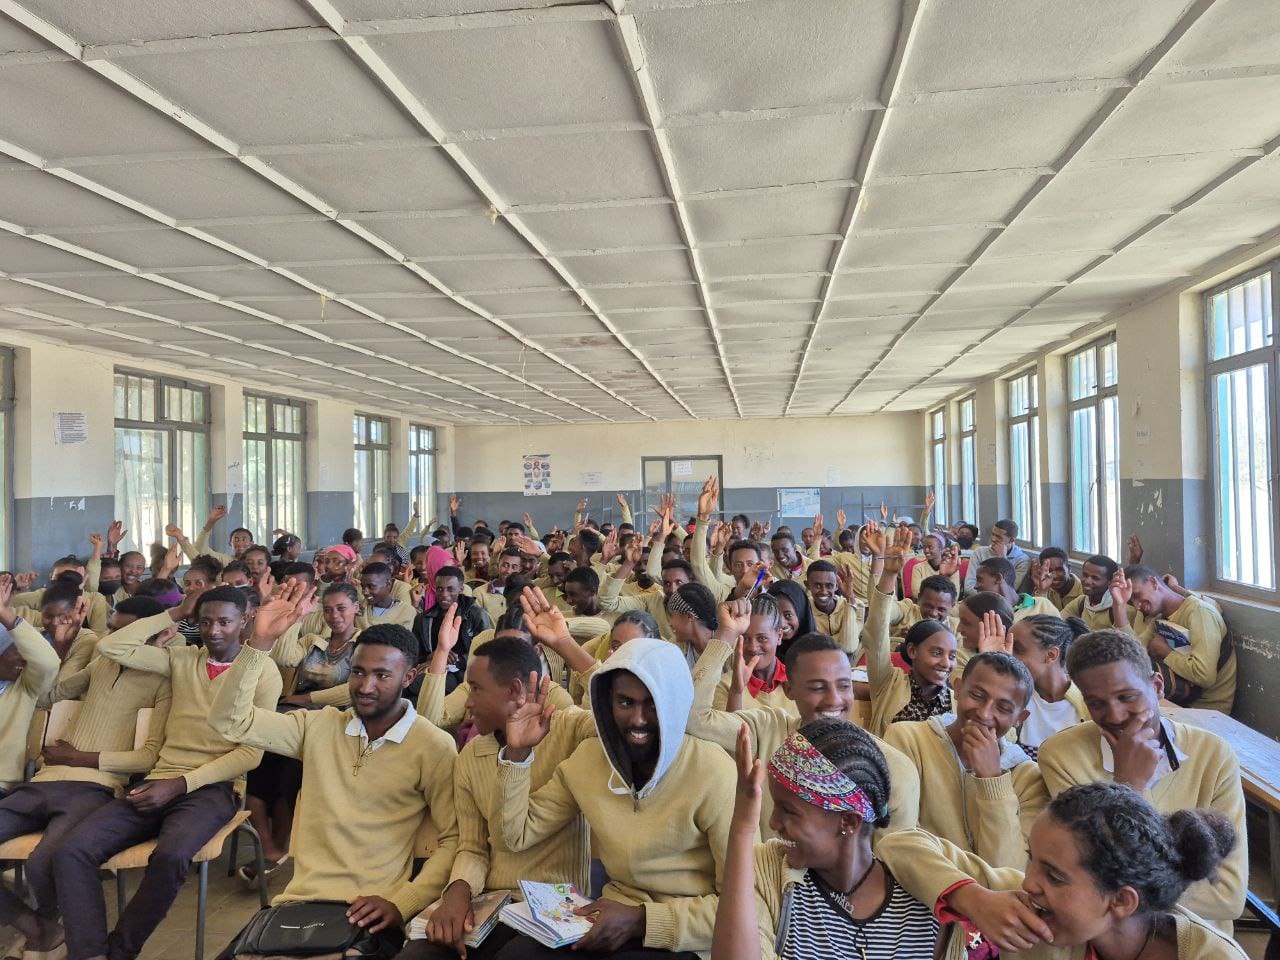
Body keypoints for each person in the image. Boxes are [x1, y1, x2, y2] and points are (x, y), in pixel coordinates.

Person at [210, 583, 461, 960]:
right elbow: (229, 722)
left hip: (371, 913)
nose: (365, 686)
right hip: (297, 905)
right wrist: (259, 644)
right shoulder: (317, 726)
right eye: (358, 672)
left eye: (382, 675)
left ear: (409, 678)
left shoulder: (432, 746)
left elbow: (453, 839)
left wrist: (403, 902)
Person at [493, 596, 738, 959]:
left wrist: (643, 921)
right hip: (611, 917)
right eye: (625, 703)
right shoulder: (589, 760)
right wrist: (517, 755)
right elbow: (514, 836)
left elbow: (743, 905)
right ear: (608, 704)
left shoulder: (713, 771)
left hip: (686, 934)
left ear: (675, 704)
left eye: (652, 704)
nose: (638, 720)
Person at [51, 584, 282, 960]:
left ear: (245, 621)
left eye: (224, 622)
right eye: (205, 622)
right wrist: (175, 612)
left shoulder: (264, 671)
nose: (214, 631)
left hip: (214, 787)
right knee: (72, 851)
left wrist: (181, 784)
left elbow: (250, 754)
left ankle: (120, 952)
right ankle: (90, 953)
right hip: (159, 780)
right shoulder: (182, 660)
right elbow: (112, 647)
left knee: (171, 856)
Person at [878, 782, 1247, 959]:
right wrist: (974, 898)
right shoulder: (1030, 909)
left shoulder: (1212, 956)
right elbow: (899, 844)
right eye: (1031, 858)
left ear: (1121, 901)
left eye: (1054, 876)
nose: (1028, 882)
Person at [398, 636, 598, 960]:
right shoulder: (471, 756)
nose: (468, 703)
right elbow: (473, 846)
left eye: (476, 689)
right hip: (493, 901)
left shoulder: (568, 728)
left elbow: (617, 724)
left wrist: (568, 646)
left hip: (556, 905)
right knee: (419, 954)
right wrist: (458, 891)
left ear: (515, 690)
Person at [1035, 629, 1246, 932]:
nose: (1115, 715)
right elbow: (1090, 881)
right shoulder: (1062, 756)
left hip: (1193, 938)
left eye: (1127, 697)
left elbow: (1226, 896)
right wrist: (1129, 786)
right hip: (1113, 937)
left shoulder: (1212, 754)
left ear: (1157, 687)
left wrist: (1121, 882)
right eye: (1097, 704)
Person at [0, 606, 170, 957]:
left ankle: (52, 929)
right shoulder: (102, 664)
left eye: (124, 633)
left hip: (95, 787)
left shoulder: (164, 680)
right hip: (43, 782)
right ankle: (39, 928)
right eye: (112, 630)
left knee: (43, 862)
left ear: (155, 635)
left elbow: (148, 757)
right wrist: (63, 647)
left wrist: (79, 758)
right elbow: (47, 696)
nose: (111, 640)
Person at [687, 600, 920, 841]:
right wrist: (725, 634)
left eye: (844, 686)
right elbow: (694, 718)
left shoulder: (893, 769)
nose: (834, 700)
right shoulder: (768, 730)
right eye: (818, 688)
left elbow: (891, 857)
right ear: (789, 690)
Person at [710, 720, 942, 960]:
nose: (773, 823)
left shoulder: (923, 899)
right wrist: (743, 829)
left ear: (848, 821)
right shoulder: (771, 872)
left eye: (788, 811)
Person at [243, 581, 364, 876]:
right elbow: (284, 656)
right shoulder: (313, 641)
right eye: (328, 610)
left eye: (341, 608)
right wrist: (295, 618)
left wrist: (305, 698)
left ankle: (279, 844)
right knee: (254, 759)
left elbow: (351, 690)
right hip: (291, 718)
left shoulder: (364, 645)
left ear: (356, 608)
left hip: (332, 722)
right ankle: (268, 847)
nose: (335, 616)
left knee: (289, 768)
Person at [883, 652, 1047, 869]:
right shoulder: (908, 740)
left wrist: (992, 780)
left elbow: (1010, 870)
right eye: (977, 695)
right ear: (958, 689)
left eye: (1003, 708)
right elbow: (900, 842)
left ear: (1019, 718)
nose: (984, 713)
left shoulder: (1029, 778)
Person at [1111, 565, 1236, 712]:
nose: (1137, 606)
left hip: (1206, 709)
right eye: (1131, 602)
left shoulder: (1200, 613)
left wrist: (1166, 652)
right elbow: (1133, 656)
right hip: (1177, 701)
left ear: (1153, 583)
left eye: (1137, 595)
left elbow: (1204, 676)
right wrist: (1119, 605)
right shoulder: (1160, 617)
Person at [982, 614, 1089, 760]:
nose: (1008, 654)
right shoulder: (1014, 698)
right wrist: (994, 670)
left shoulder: (1088, 705)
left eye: (1017, 648)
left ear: (1051, 655)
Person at [0, 576, 62, 795]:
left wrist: (5, 615)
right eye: (15, 653)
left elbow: (48, 662)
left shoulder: (24, 687)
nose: (24, 661)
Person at [412, 566, 491, 696]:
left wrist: (456, 660)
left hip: (464, 673)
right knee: (410, 686)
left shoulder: (476, 615)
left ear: (461, 589)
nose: (444, 594)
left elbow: (486, 652)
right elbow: (415, 654)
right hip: (432, 669)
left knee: (417, 686)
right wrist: (432, 656)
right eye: (439, 589)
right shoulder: (423, 619)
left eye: (450, 589)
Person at [712, 594, 790, 715]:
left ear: (779, 636)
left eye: (762, 638)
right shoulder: (725, 685)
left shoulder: (796, 681)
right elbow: (728, 726)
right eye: (745, 638)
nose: (753, 648)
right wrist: (736, 692)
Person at [803, 560, 863, 659]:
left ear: (836, 586)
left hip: (851, 662)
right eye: (817, 585)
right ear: (807, 585)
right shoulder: (804, 609)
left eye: (829, 585)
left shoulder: (857, 606)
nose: (823, 591)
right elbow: (813, 648)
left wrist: (849, 600)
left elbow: (849, 647)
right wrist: (839, 638)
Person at [973, 557, 1060, 621]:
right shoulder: (984, 614)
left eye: (979, 580)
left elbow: (1062, 636)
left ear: (998, 578)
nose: (975, 586)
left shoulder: (1041, 604)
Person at [962, 520, 1031, 595]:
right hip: (976, 599)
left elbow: (1010, 591)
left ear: (1011, 540)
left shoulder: (1022, 560)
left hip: (1003, 602)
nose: (993, 539)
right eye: (993, 534)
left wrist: (1003, 560)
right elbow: (969, 587)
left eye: (999, 537)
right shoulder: (979, 552)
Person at [361, 561, 416, 629]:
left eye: (371, 586)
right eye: (362, 586)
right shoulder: (360, 608)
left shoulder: (405, 612)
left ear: (388, 584)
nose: (364, 592)